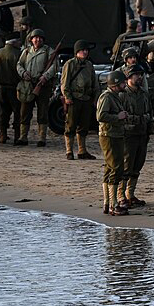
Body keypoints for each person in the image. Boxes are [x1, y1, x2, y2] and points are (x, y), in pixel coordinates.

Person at [16, 28, 56, 146]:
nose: (37, 40)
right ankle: (23, 137)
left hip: (43, 85)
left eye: (40, 38)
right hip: (28, 85)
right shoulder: (27, 51)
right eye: (35, 38)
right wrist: (23, 73)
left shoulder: (49, 51)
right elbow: (19, 64)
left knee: (42, 112)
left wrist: (45, 77)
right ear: (31, 39)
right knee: (25, 111)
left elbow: (53, 67)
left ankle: (41, 138)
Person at [96, 71, 128, 215]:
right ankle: (113, 205)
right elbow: (101, 116)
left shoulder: (114, 96)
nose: (124, 84)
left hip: (115, 134)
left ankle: (108, 202)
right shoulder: (107, 97)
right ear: (115, 84)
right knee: (116, 167)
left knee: (110, 168)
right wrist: (118, 117)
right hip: (109, 135)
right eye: (122, 82)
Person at [60, 39, 98, 160]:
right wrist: (67, 97)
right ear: (77, 51)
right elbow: (64, 83)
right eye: (82, 50)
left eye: (86, 50)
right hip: (74, 99)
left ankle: (82, 150)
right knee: (70, 125)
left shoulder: (89, 65)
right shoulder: (70, 64)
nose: (85, 52)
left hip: (86, 98)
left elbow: (94, 83)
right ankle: (69, 151)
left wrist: (96, 98)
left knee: (84, 125)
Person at [0, 33, 20, 143]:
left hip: (1, 87)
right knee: (17, 112)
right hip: (14, 87)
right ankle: (17, 136)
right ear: (14, 42)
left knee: (3, 112)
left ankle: (2, 135)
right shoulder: (18, 54)